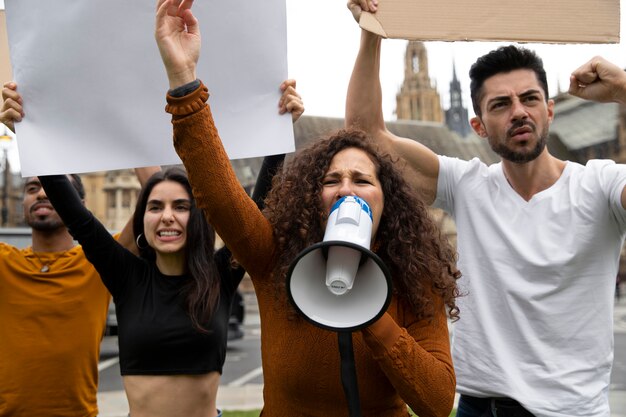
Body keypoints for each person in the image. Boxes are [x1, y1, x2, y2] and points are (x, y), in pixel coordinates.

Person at [154, 1, 461, 416]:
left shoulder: (413, 276)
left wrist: (371, 314)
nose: (346, 190)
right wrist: (184, 81)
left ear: (389, 199)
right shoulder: (273, 258)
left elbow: (438, 402)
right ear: (309, 197)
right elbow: (219, 192)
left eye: (362, 180)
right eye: (331, 180)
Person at [345, 2, 626, 416]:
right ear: (477, 125)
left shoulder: (601, 184)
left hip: (574, 409)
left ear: (549, 109)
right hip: (481, 407)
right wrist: (371, 29)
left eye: (530, 99)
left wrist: (624, 91)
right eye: (500, 104)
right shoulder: (467, 185)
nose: (518, 112)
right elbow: (366, 135)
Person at [0, 82, 157, 417]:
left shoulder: (99, 263)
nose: (42, 193)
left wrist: (120, 117)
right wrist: (23, 131)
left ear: (78, 205)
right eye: (32, 187)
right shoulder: (4, 263)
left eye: (56, 188)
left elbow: (155, 192)